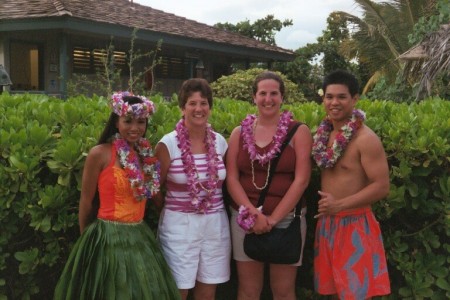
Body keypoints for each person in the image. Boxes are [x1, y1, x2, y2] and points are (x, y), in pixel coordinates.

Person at [54, 92, 180, 300]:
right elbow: (86, 201)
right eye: (128, 121)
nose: (135, 128)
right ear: (116, 121)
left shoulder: (145, 156)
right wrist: (87, 243)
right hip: (105, 238)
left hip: (140, 238)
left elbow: (153, 193)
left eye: (141, 122)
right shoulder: (99, 153)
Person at [226, 71, 312, 300]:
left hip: (286, 221)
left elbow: (302, 179)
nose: (268, 99)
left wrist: (272, 220)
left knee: (283, 292)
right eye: (262, 93)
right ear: (254, 97)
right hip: (245, 220)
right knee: (248, 290)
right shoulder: (239, 133)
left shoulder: (298, 132)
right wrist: (252, 214)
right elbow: (232, 178)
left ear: (282, 97)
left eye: (274, 93)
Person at [312, 70, 391, 299]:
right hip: (327, 224)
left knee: (356, 294)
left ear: (355, 99)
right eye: (329, 96)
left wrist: (340, 205)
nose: (334, 102)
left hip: (355, 224)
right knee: (332, 292)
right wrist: (333, 209)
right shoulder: (323, 134)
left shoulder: (366, 139)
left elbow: (381, 186)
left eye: (341, 97)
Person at [155, 78, 231, 300]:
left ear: (210, 107)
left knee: (208, 291)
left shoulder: (220, 142)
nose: (199, 109)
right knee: (178, 290)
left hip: (215, 224)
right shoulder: (167, 144)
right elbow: (154, 188)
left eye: (204, 103)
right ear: (182, 108)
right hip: (179, 225)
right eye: (192, 103)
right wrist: (174, 208)